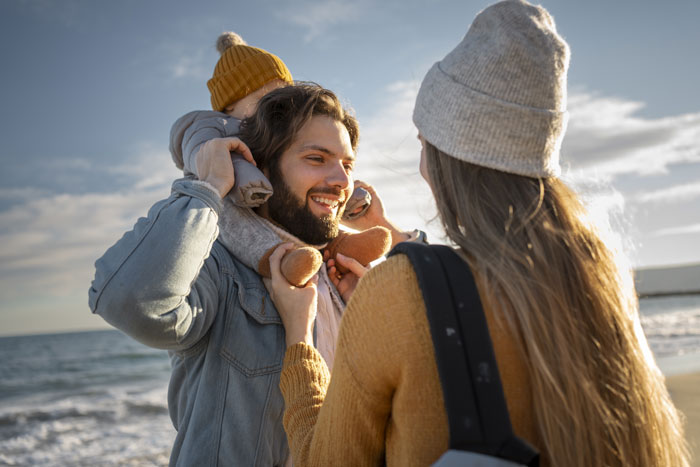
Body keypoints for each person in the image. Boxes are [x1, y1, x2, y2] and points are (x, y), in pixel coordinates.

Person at [268, 1, 691, 466]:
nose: (420, 155)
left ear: (450, 155)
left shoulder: (396, 294)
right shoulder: (596, 271)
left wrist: (299, 336)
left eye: (424, 139)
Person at [89, 82, 413, 466]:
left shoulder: (347, 277)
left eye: (347, 164)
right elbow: (131, 301)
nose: (343, 181)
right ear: (262, 168)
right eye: (316, 158)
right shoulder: (220, 270)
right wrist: (207, 186)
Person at [171, 32, 392, 289]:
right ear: (230, 105)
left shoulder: (285, 134)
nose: (280, 108)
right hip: (230, 197)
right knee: (234, 219)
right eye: (265, 100)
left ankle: (342, 245)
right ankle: (278, 259)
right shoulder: (209, 127)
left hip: (273, 204)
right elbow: (203, 154)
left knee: (315, 220)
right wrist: (228, 178)